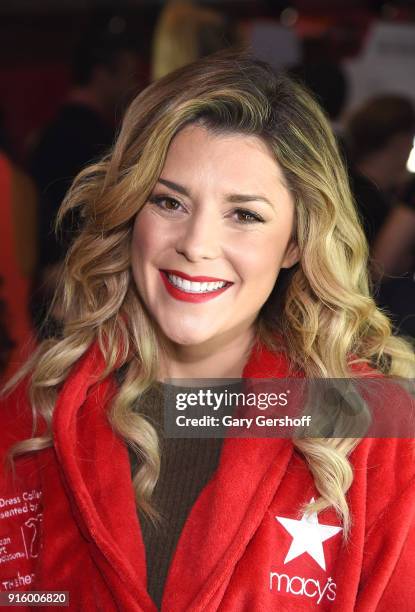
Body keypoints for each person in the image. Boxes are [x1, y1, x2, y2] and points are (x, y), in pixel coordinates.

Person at [1, 52, 415, 610]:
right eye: (169, 201)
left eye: (244, 214)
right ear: (131, 215)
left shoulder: (377, 431)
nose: (195, 244)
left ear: (295, 243)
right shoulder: (34, 411)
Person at [29, 31, 139, 337]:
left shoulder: (45, 135)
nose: (131, 85)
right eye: (127, 74)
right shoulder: (103, 143)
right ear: (102, 74)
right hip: (81, 286)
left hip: (48, 283)